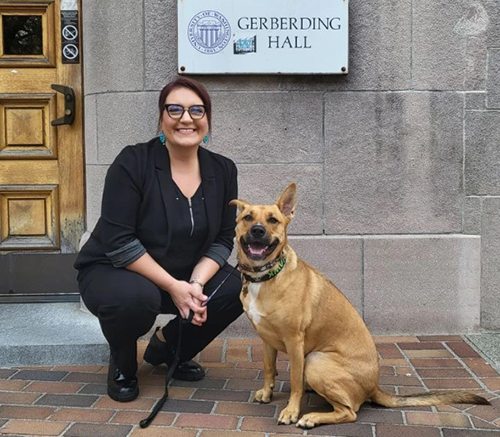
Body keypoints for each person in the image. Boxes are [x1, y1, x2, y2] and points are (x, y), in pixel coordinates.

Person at [74, 76, 243, 402]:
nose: (186, 118)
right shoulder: (132, 163)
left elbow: (223, 239)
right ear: (161, 117)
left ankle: (170, 347)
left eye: (197, 110)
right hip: (115, 270)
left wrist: (194, 285)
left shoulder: (223, 170)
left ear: (207, 119)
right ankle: (123, 362)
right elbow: (120, 243)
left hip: (181, 274)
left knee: (236, 288)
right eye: (175, 109)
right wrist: (173, 287)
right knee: (135, 299)